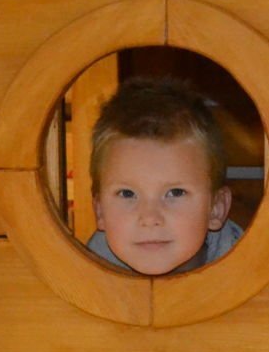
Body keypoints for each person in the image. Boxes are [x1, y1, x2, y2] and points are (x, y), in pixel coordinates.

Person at [84, 76, 243, 275]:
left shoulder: (249, 271)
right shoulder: (83, 276)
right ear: (100, 212)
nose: (150, 218)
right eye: (127, 193)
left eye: (175, 193)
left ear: (216, 208)